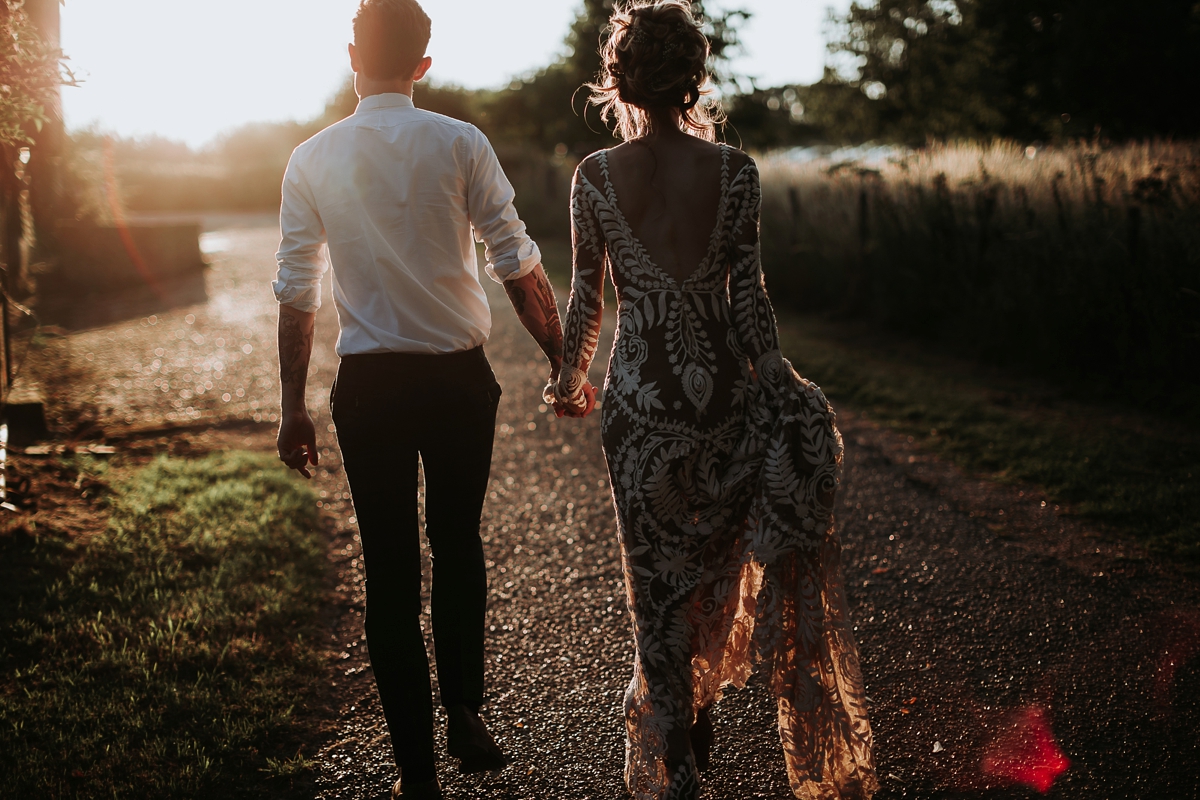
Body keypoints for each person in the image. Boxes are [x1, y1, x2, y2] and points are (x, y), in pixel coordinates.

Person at [546, 2, 878, 799]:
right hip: (724, 402)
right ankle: (692, 696)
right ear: (695, 78)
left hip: (641, 409)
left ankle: (678, 740)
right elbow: (749, 305)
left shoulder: (593, 178)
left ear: (617, 80)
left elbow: (587, 301)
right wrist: (779, 378)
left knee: (654, 585)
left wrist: (567, 380)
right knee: (718, 570)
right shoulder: (736, 173)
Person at [272, 2, 567, 798]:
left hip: (369, 387)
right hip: (456, 380)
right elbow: (515, 261)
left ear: (351, 56)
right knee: (458, 543)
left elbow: (297, 293)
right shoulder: (460, 143)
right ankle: (465, 709)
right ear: (423, 65)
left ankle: (416, 776)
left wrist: (292, 406)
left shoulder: (311, 157)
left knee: (391, 569)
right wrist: (563, 359)